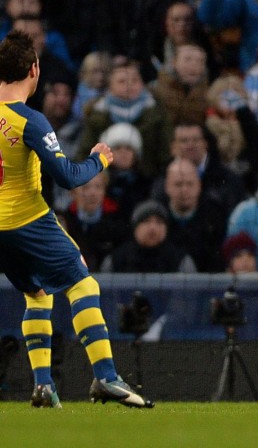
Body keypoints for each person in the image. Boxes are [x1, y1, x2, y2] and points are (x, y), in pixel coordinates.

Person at [0, 30, 152, 409]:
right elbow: (67, 177)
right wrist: (99, 160)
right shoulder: (29, 121)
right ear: (34, 70)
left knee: (37, 295)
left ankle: (43, 386)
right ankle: (106, 377)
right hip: (27, 220)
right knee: (82, 284)